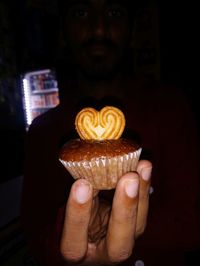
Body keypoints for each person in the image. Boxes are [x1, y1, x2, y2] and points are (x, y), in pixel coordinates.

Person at [21, 0, 200, 265]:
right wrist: (75, 231)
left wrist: (112, 220)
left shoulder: (172, 107)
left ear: (132, 29)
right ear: (62, 32)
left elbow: (193, 223)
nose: (99, 28)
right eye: (81, 11)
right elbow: (34, 235)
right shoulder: (42, 131)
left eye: (114, 12)